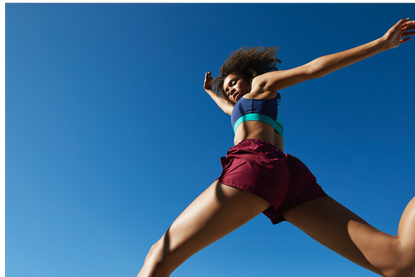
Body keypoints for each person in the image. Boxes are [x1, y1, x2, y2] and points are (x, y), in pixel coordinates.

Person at [137, 18, 415, 277]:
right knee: (400, 261)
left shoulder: (261, 85)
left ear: (251, 75)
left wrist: (381, 43)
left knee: (159, 256)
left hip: (255, 164)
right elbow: (227, 109)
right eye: (227, 87)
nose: (230, 89)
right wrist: (211, 91)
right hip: (288, 176)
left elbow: (312, 69)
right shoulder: (244, 110)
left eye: (234, 82)